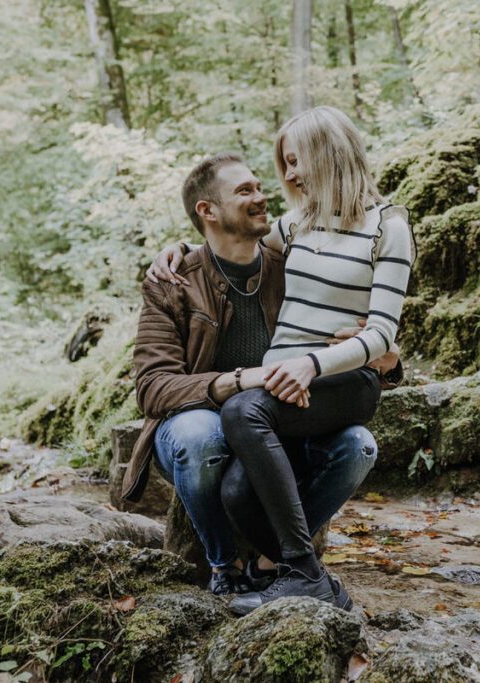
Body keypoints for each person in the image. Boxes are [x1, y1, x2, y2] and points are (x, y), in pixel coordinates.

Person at [148, 106, 414, 615]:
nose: (288, 176)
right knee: (235, 490)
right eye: (285, 164)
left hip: (341, 380)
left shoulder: (388, 227)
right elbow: (227, 244)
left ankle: (299, 571)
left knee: (241, 410)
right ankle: (300, 575)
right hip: (286, 386)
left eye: (297, 162)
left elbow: (381, 332)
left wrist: (312, 364)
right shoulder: (295, 225)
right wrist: (180, 246)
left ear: (330, 154)